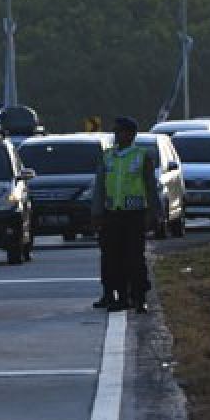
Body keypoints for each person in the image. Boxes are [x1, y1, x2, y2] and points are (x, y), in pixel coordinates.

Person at [92, 117, 157, 313]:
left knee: (135, 258)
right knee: (113, 258)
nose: (117, 135)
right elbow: (100, 188)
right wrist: (97, 213)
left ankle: (139, 297)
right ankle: (119, 296)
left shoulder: (141, 156)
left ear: (131, 134)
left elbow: (150, 187)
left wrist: (152, 213)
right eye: (115, 131)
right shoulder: (107, 156)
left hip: (134, 216)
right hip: (112, 215)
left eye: (120, 131)